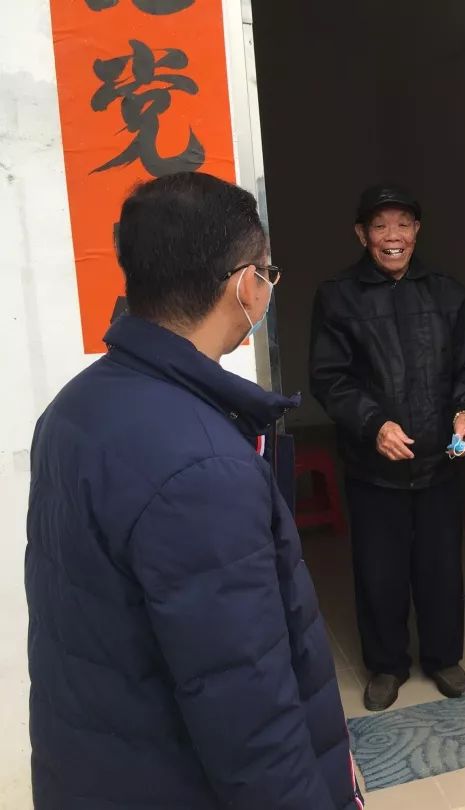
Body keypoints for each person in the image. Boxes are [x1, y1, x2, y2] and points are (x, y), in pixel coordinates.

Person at [25, 172, 363, 809]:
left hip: (95, 768)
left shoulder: (73, 408)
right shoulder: (203, 470)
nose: (267, 288)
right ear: (244, 285)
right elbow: (250, 718)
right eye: (268, 273)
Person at [310, 184, 465, 712]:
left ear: (417, 231)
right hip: (374, 465)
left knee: (440, 566)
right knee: (378, 570)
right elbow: (330, 378)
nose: (393, 236)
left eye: (403, 224)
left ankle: (443, 657)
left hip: (440, 461)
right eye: (380, 225)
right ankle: (386, 665)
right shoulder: (338, 296)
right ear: (361, 234)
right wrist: (373, 425)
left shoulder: (448, 293)